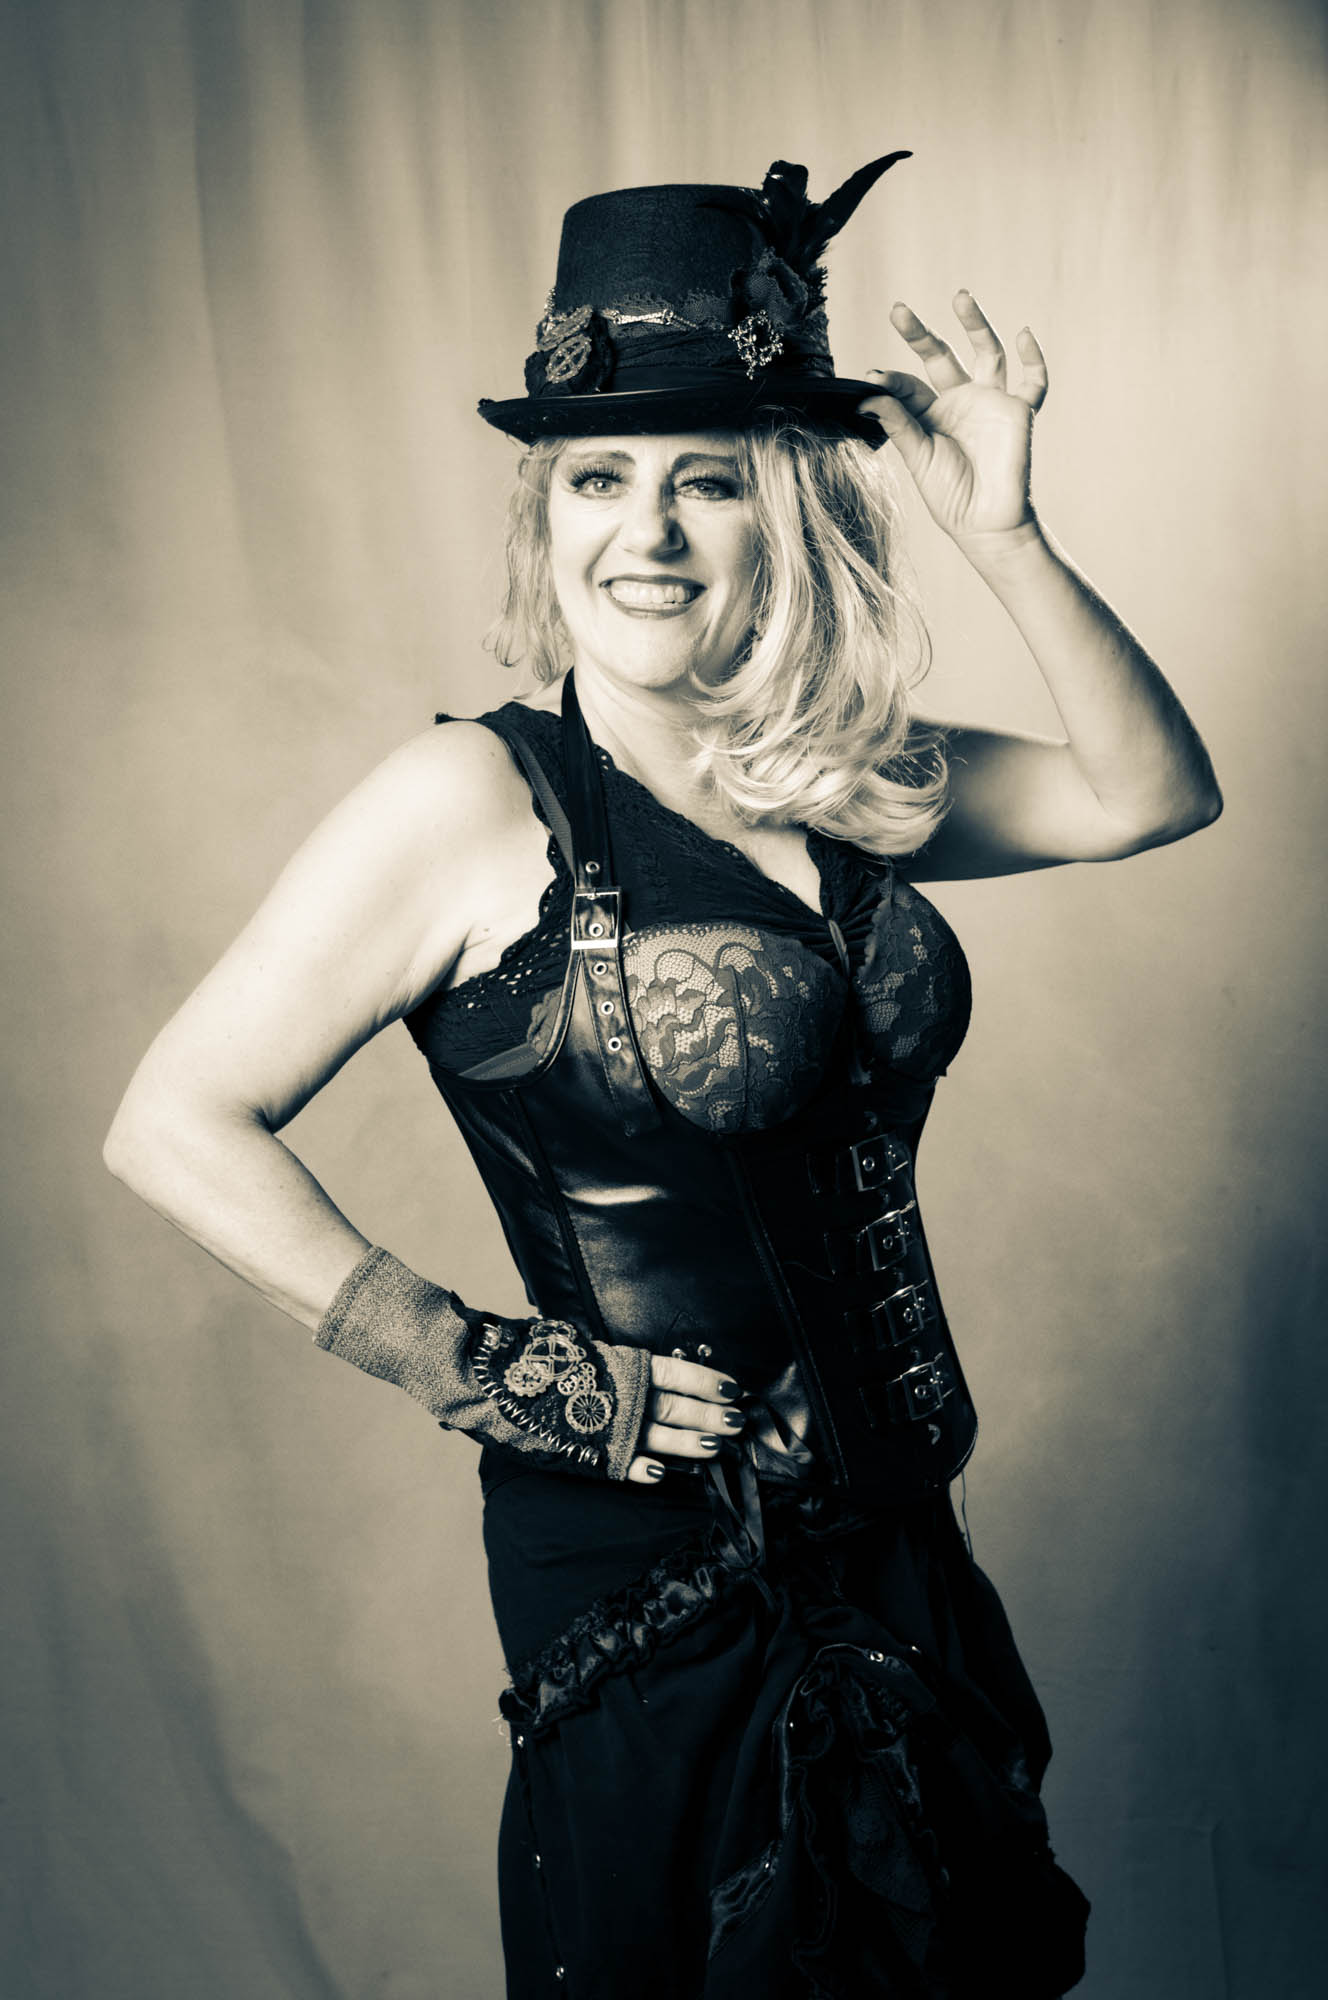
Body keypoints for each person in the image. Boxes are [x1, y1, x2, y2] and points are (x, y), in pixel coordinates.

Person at [103, 153, 1221, 1998]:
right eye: (598, 480)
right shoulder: (473, 799)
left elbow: (1147, 794)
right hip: (650, 1572)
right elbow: (171, 1123)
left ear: (787, 511)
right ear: (543, 518)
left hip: (893, 1537)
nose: (650, 533)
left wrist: (1006, 534)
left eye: (708, 479)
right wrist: (500, 1374)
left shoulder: (838, 771)